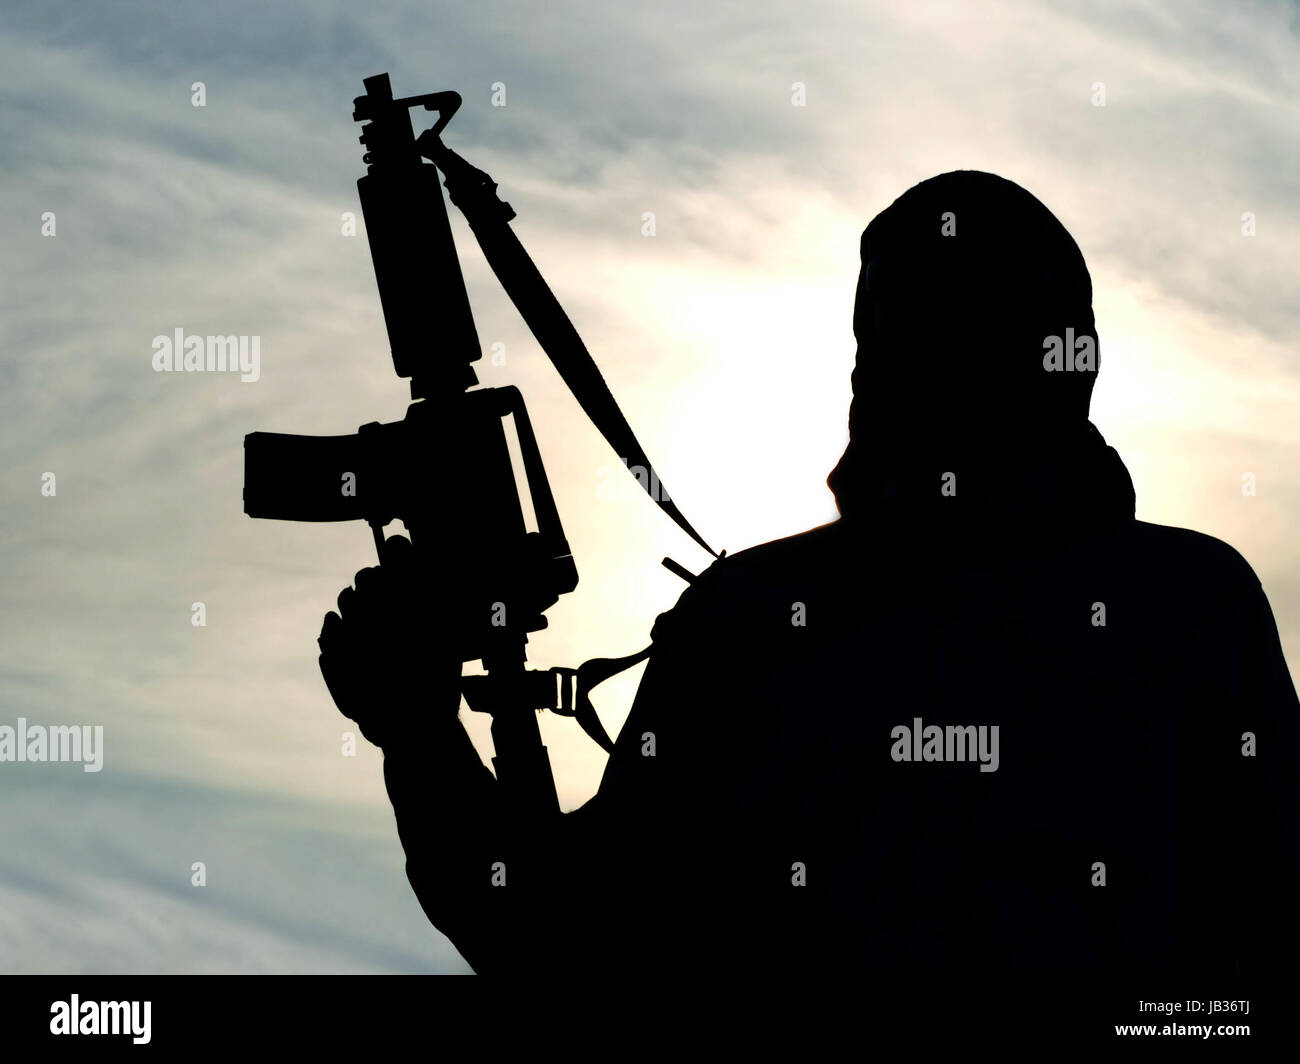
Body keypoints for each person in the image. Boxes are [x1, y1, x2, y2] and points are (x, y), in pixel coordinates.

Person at [318, 171, 1299, 979]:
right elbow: (566, 938)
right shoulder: (1188, 600)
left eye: (922, 336)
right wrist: (419, 726)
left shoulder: (753, 625)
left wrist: (417, 727)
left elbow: (554, 942)